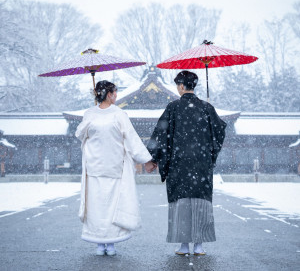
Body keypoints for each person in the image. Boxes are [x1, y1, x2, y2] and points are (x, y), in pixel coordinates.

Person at [147, 71, 227, 256]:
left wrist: (154, 158)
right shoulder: (206, 108)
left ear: (182, 86)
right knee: (201, 202)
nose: (177, 89)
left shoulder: (173, 108)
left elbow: (160, 134)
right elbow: (220, 131)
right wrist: (209, 152)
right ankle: (199, 245)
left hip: (178, 164)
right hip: (201, 164)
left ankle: (183, 245)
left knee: (181, 203)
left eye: (178, 85)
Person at [75, 80, 156, 256]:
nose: (117, 96)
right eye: (115, 92)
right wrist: (147, 161)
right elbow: (81, 134)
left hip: (111, 166)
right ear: (109, 94)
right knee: (100, 206)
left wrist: (145, 160)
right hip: (97, 166)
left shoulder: (116, 114)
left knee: (106, 206)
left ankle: (108, 242)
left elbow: (131, 139)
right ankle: (101, 241)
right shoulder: (93, 114)